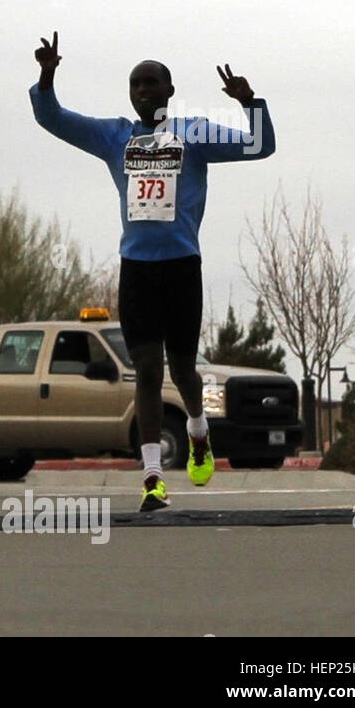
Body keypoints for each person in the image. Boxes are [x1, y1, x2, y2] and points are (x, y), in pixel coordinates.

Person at [28, 32, 276, 511]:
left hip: (182, 267)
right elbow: (51, 117)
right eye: (135, 84)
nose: (143, 91)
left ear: (169, 90)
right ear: (129, 94)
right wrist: (47, 74)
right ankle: (152, 478)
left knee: (184, 371)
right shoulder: (113, 136)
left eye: (152, 83)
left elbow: (260, 146)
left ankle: (199, 433)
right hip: (137, 269)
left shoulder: (194, 134)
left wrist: (250, 103)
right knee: (145, 371)